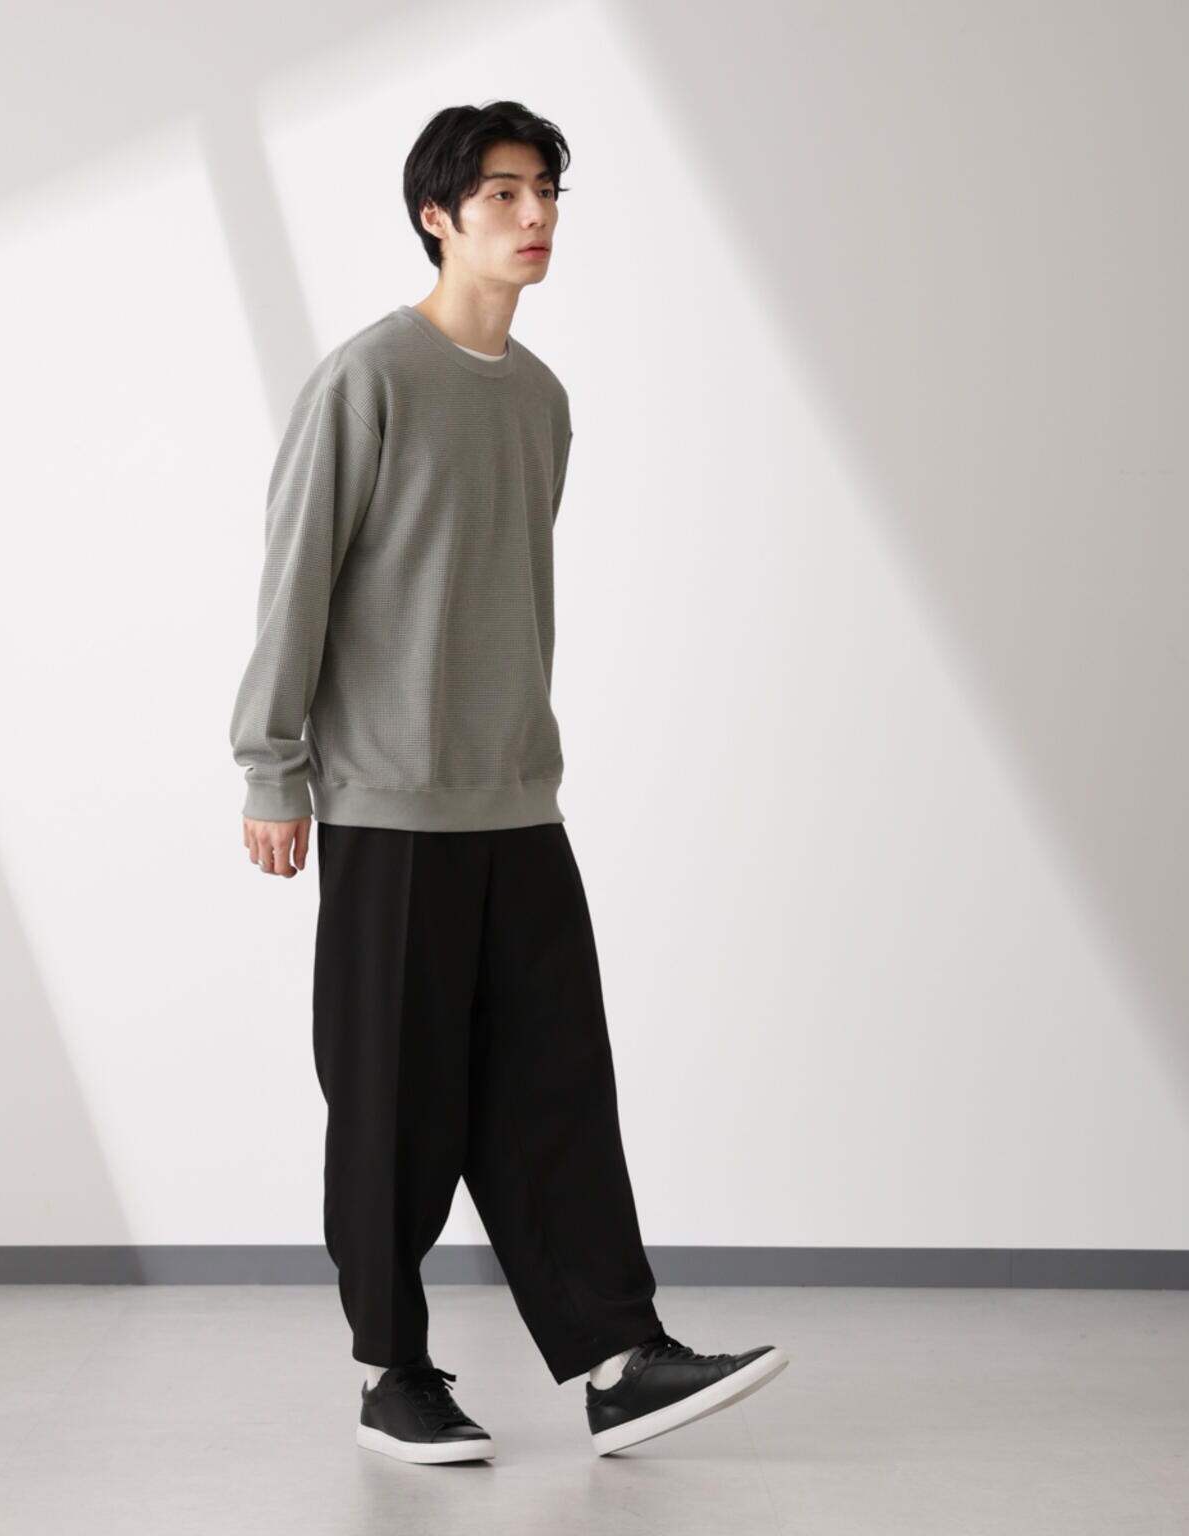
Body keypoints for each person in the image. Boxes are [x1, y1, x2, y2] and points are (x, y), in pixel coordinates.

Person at [229, 99, 788, 1465]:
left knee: (554, 1089)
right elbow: (297, 580)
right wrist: (272, 764)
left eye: (546, 192)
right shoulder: (367, 380)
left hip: (518, 800)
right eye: (501, 194)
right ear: (438, 216)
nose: (534, 216)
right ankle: (391, 1371)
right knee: (393, 1102)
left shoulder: (541, 399)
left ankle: (617, 1361)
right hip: (389, 803)